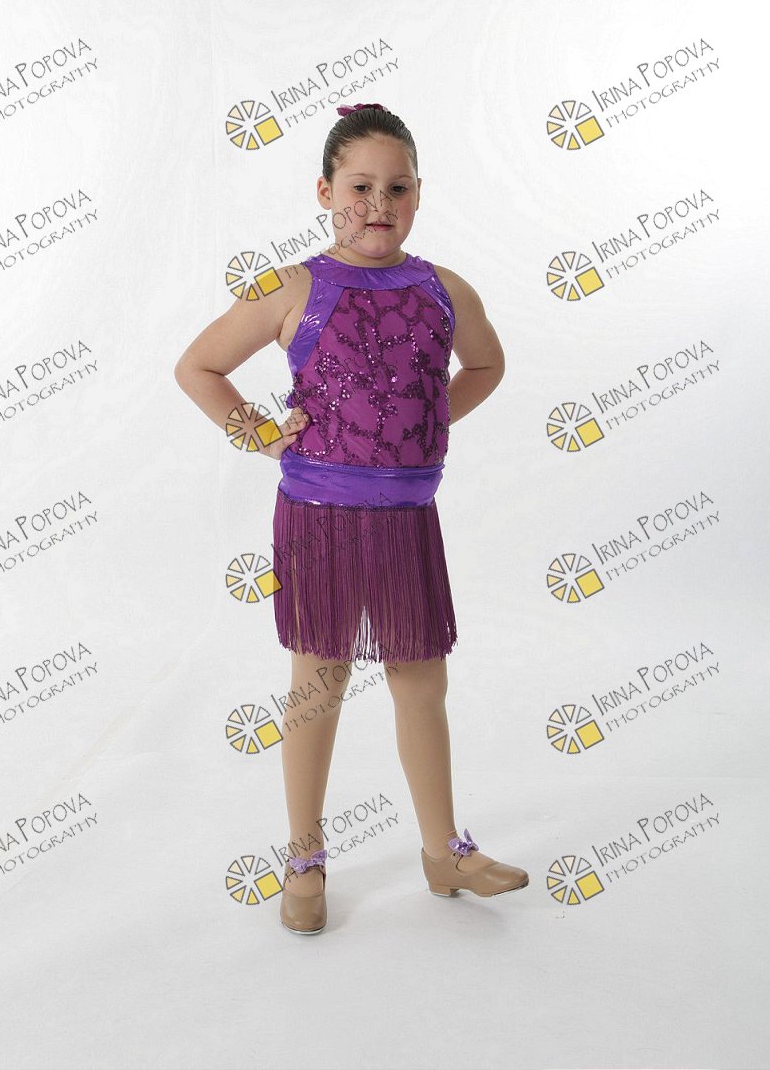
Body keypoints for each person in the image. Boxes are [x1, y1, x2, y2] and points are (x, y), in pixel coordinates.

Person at [174, 102, 529, 936]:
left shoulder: (443, 289)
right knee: (318, 683)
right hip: (319, 516)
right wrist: (261, 434)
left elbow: (487, 365)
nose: (378, 204)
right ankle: (304, 859)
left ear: (419, 194)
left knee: (421, 680)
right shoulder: (293, 287)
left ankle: (443, 851)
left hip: (407, 516)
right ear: (325, 191)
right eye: (360, 187)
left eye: (397, 188)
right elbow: (198, 367)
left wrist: (431, 419)